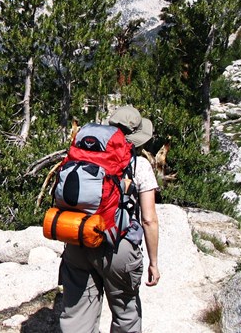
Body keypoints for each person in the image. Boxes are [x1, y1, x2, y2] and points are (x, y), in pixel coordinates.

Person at [59, 105, 160, 333]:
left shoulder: (84, 157)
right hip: (118, 246)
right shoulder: (140, 165)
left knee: (77, 315)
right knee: (126, 313)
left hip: (80, 238)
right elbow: (149, 220)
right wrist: (153, 262)